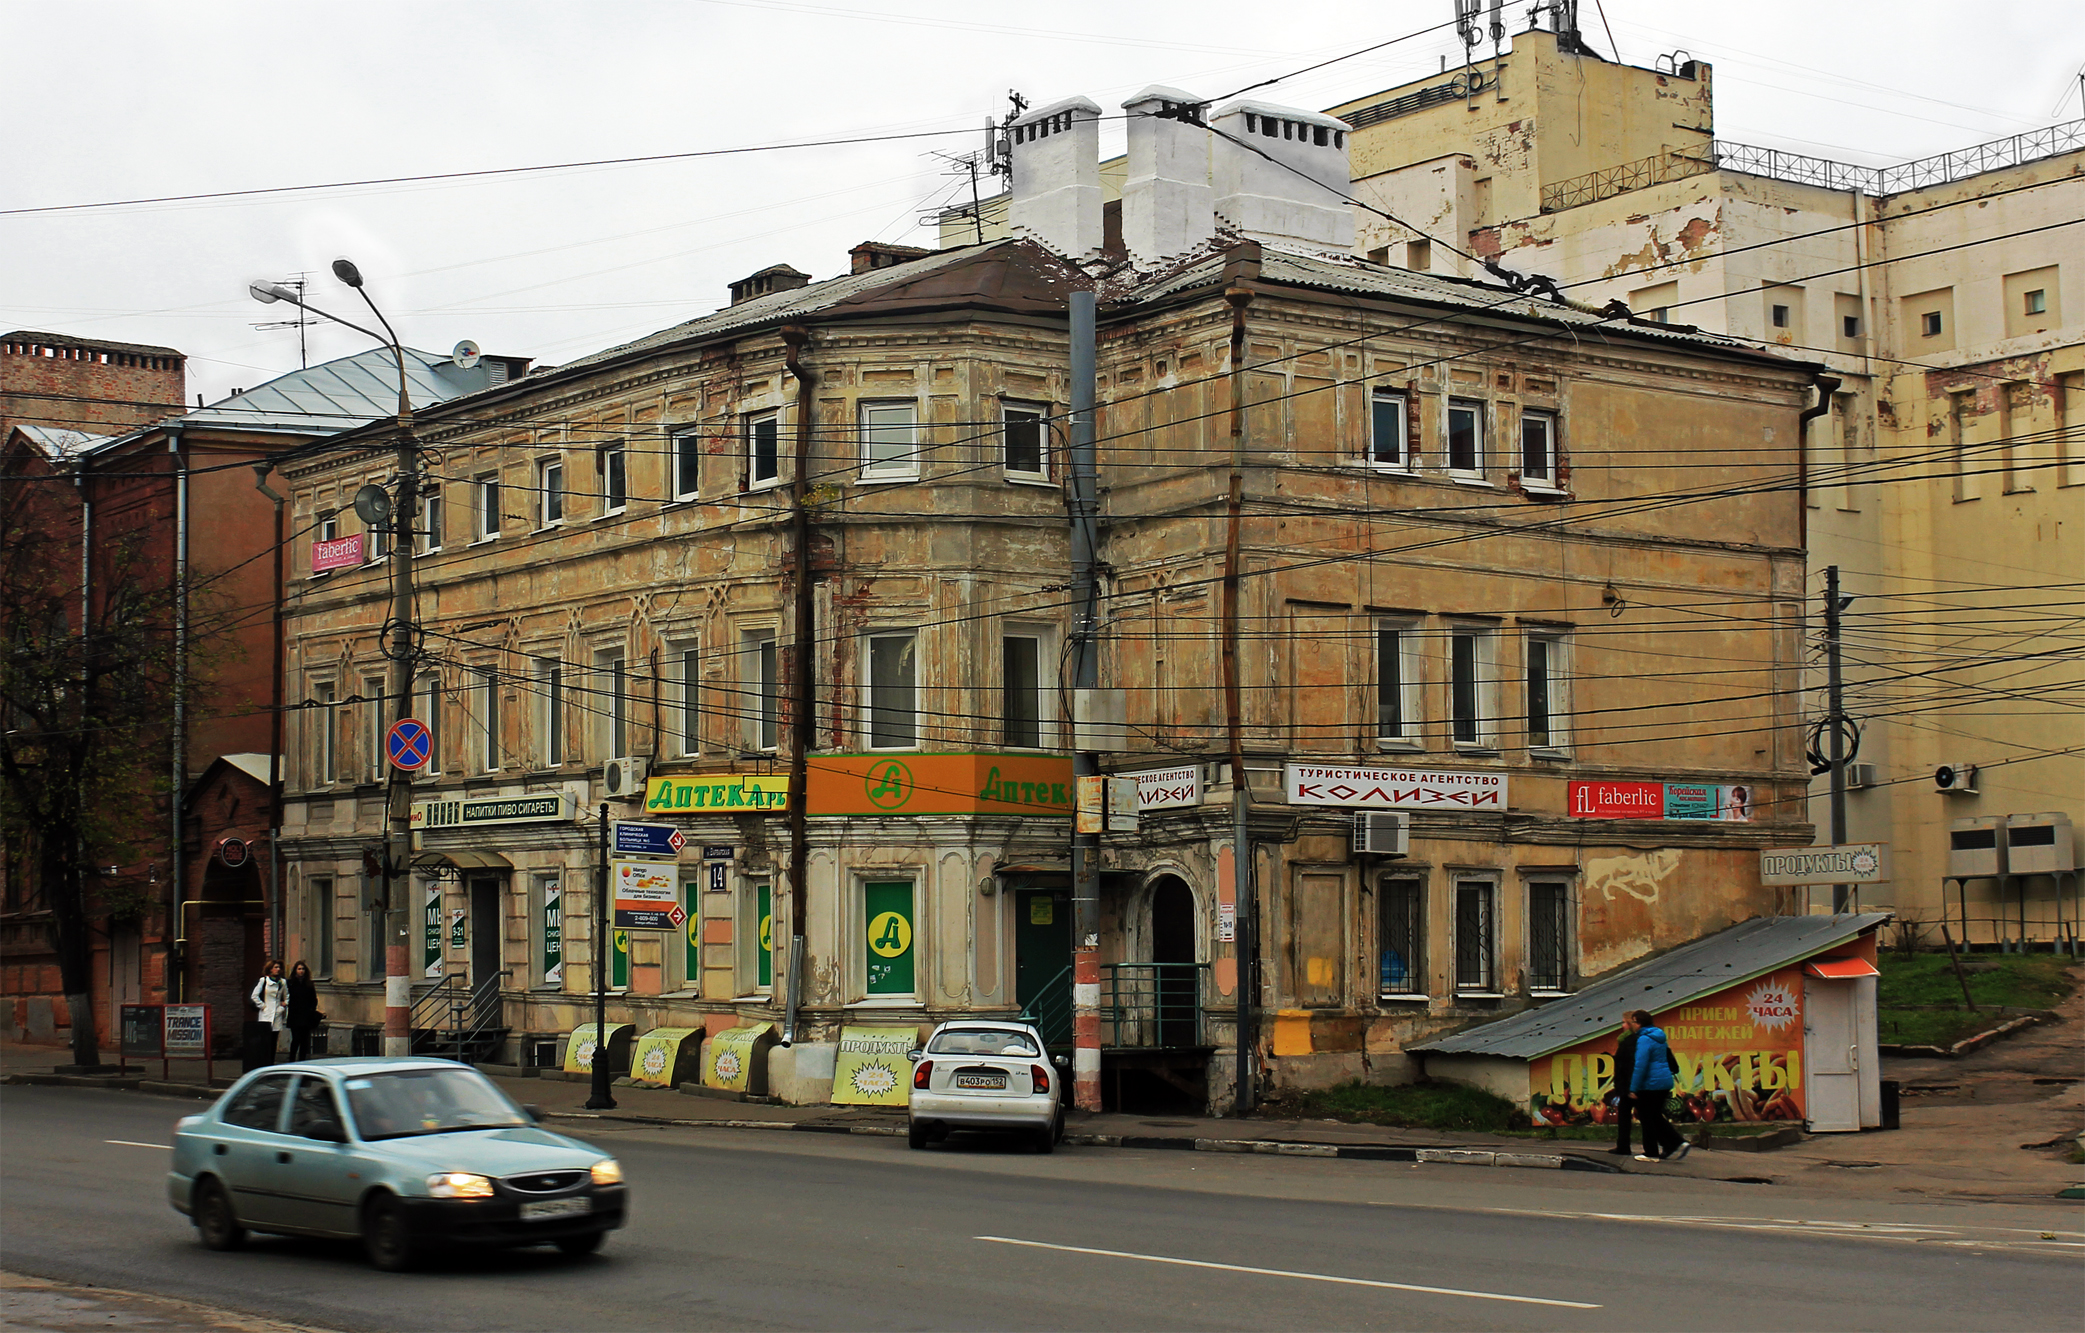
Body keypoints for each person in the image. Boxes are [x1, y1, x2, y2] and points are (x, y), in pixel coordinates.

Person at [1629, 1009, 1690, 1163]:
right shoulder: (1659, 1036)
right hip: (1664, 1081)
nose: (1632, 1025)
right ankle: (1672, 1145)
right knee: (1654, 1116)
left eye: (1633, 1022)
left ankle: (1654, 1152)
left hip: (1651, 1083)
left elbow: (1641, 1065)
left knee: (1647, 1117)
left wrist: (1634, 1088)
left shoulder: (1644, 1039)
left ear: (1639, 1023)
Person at [1608, 1012, 1640, 1156]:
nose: (1622, 1025)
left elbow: (1629, 1066)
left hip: (1631, 1086)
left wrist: (1630, 1087)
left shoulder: (1631, 1042)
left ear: (1631, 1024)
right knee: (1627, 1116)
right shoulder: (1627, 1041)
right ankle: (1623, 1146)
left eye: (1624, 1022)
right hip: (1628, 1085)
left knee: (1640, 1117)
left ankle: (1671, 1143)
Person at [249, 960, 288, 1062]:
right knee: (264, 1040)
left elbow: (287, 996)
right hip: (266, 1014)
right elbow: (254, 996)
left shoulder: (282, 982)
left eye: (279, 967)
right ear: (270, 969)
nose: (278, 969)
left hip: (277, 1014)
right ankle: (263, 1061)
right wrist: (263, 1006)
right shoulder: (264, 980)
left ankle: (271, 1061)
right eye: (275, 967)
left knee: (274, 1041)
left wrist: (283, 1006)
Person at [286, 961, 321, 1062]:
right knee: (296, 1038)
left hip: (306, 1016)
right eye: (299, 969)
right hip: (295, 1015)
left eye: (303, 969)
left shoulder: (309, 984)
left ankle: (302, 1059)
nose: (301, 971)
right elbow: (287, 997)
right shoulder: (291, 983)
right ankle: (291, 1059)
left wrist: (311, 1009)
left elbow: (314, 999)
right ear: (295, 970)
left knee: (305, 1041)